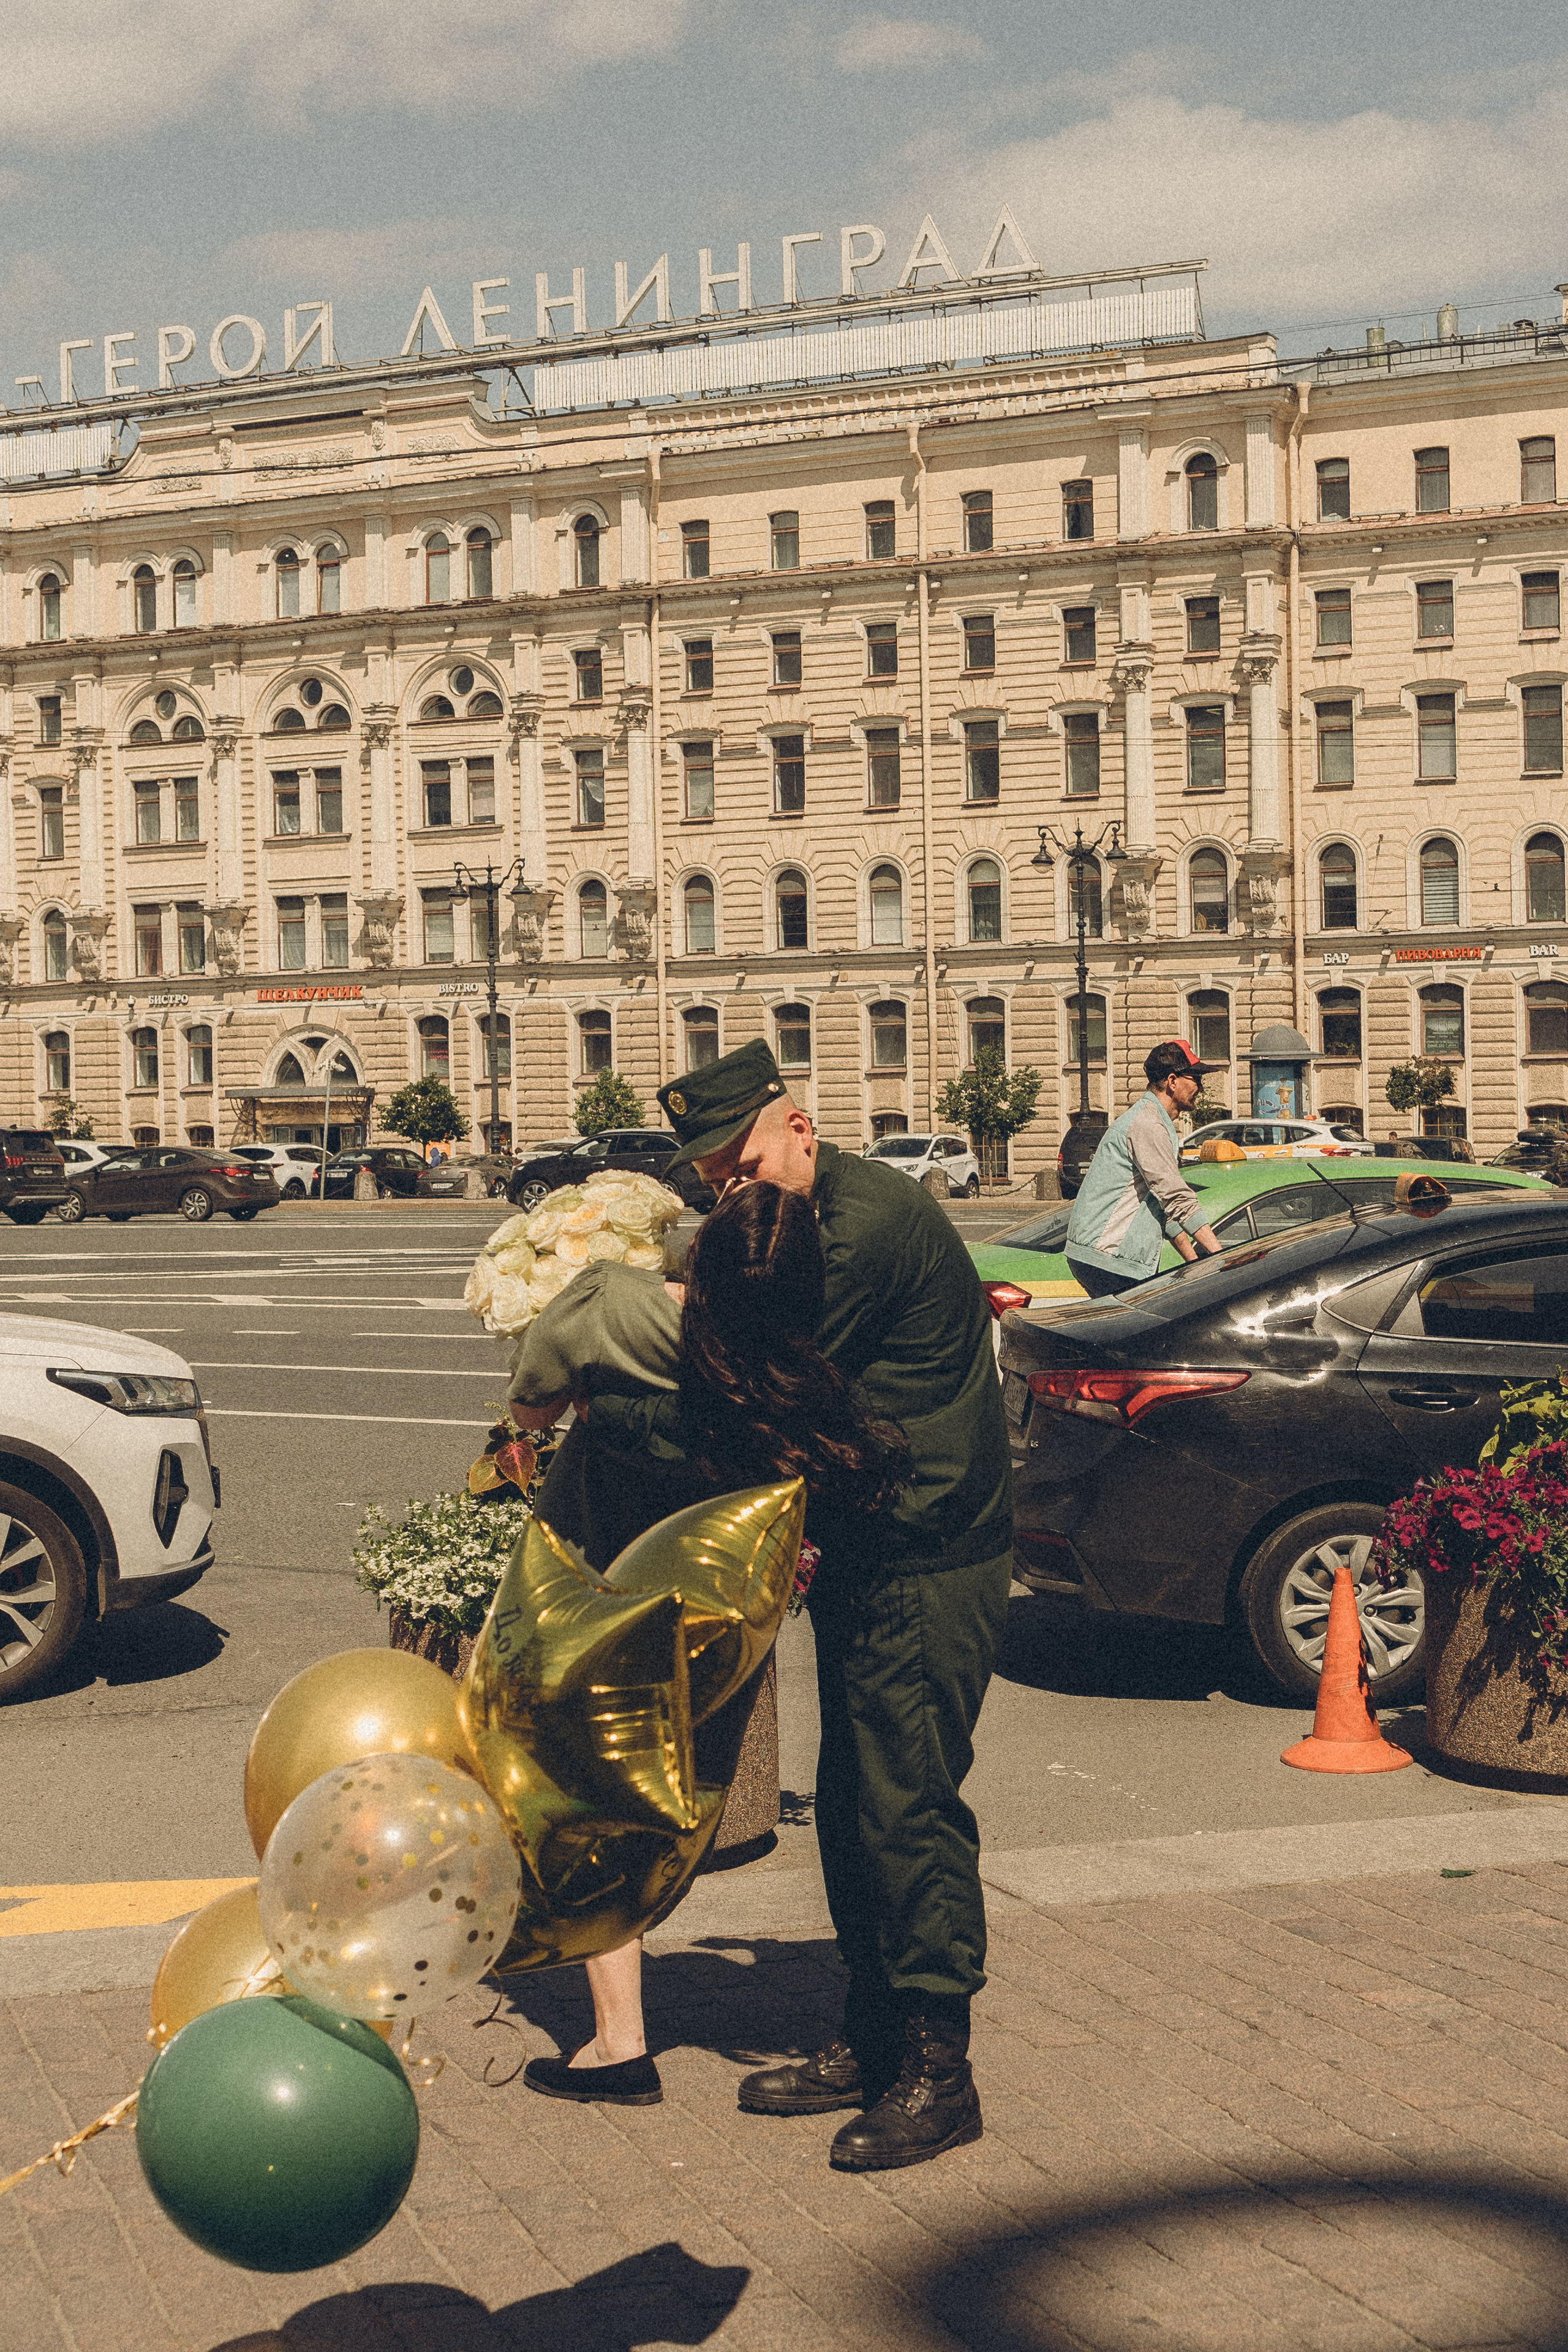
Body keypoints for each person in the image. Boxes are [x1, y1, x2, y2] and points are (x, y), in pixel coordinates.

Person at [510, 1039, 1013, 2173]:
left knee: (907, 1806)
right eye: (715, 1180)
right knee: (851, 1799)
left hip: (931, 1553)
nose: (732, 1192)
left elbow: (737, 1387)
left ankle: (940, 2072)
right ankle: (874, 2033)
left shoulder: (857, 1234)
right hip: (874, 1543)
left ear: (801, 1126)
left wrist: (592, 1365)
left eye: (745, 1165)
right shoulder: (791, 1217)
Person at [1065, 1039, 1225, 1298]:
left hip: (1102, 1256)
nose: (1201, 1087)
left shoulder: (1153, 1121)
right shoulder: (1147, 1124)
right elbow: (1175, 1196)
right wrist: (1223, 1261)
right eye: (1195, 1078)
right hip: (1108, 1256)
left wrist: (1196, 1261)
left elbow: (1164, 1207)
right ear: (1173, 1081)